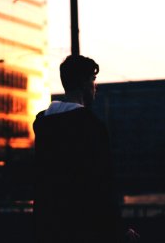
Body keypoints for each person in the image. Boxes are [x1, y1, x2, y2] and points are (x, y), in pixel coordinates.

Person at [33, 55, 131, 243]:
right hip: (85, 229)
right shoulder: (91, 127)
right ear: (83, 83)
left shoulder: (44, 125)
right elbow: (101, 186)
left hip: (50, 228)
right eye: (93, 80)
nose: (95, 86)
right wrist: (118, 231)